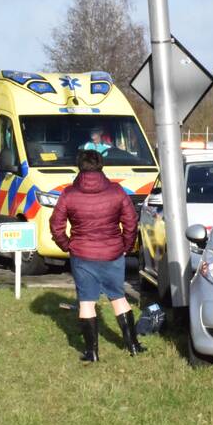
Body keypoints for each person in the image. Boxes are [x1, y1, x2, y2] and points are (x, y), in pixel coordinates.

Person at [49, 149, 142, 363]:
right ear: (101, 165)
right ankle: (133, 346)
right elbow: (131, 222)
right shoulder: (117, 191)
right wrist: (125, 246)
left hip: (82, 255)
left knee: (87, 302)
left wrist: (67, 245)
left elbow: (56, 225)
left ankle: (92, 353)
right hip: (112, 253)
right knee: (119, 298)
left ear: (78, 166)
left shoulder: (69, 193)